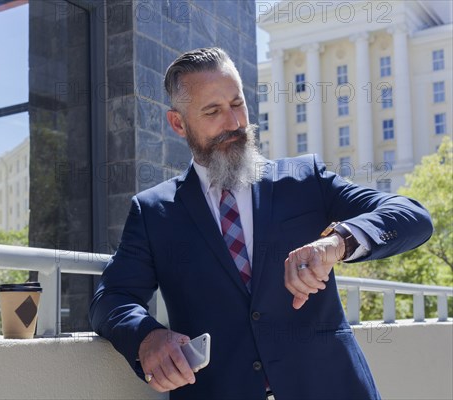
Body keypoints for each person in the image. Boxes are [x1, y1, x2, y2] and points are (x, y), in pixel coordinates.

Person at [89, 47, 433, 400]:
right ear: (178, 123)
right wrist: (147, 337)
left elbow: (411, 216)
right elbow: (112, 298)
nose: (235, 123)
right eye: (213, 111)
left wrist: (338, 242)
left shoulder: (305, 178)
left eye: (237, 104)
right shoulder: (153, 211)